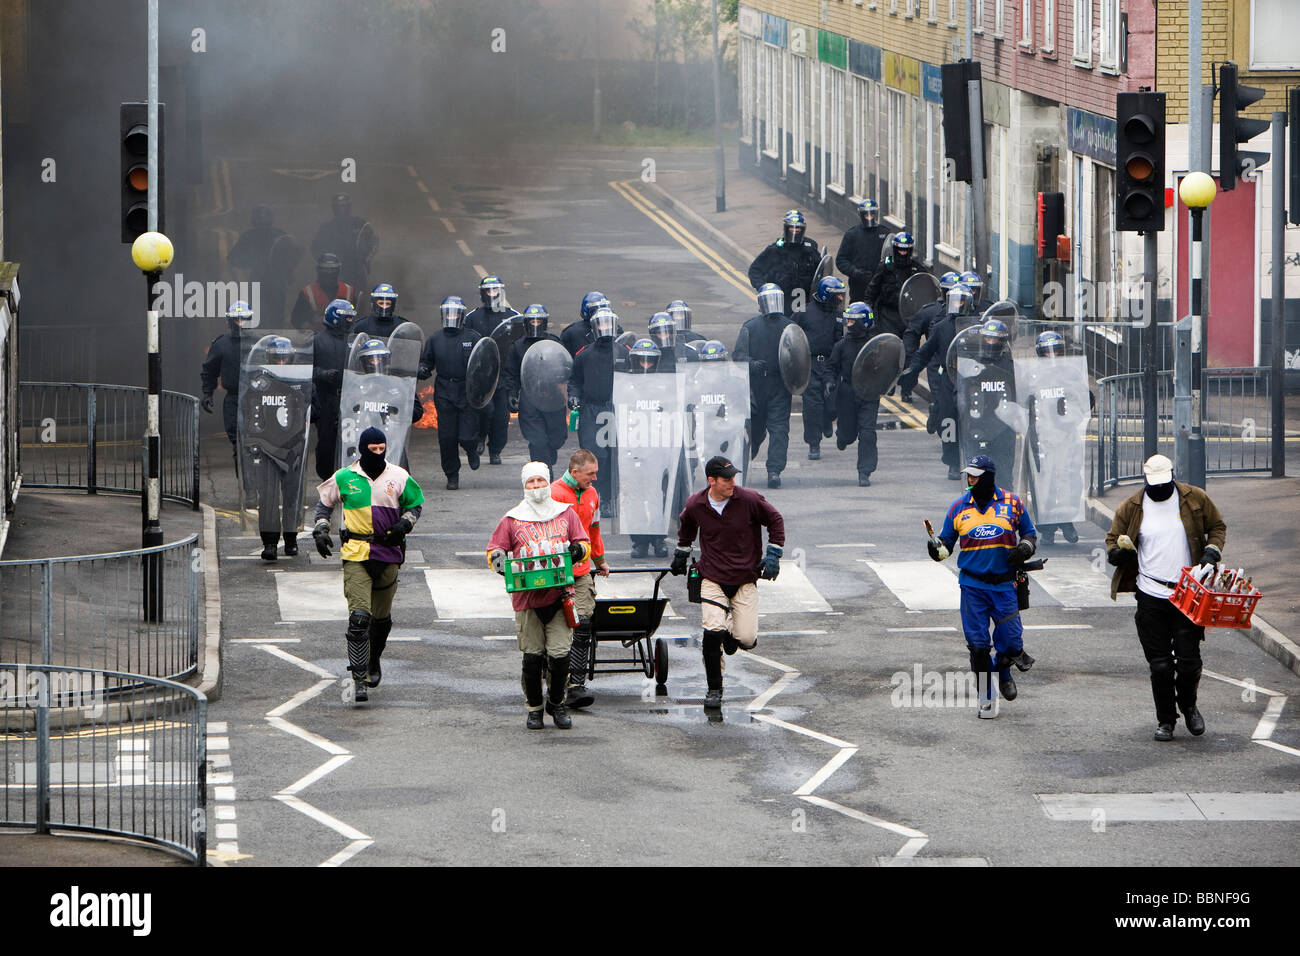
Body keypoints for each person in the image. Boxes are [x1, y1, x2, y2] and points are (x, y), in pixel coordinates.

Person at [1106, 454, 1227, 742]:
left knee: (1188, 661)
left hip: (1187, 592)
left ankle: (1188, 705)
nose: (1159, 489)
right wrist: (1117, 554)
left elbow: (1218, 528)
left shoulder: (1195, 498)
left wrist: (1213, 550)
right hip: (1150, 594)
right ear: (1145, 479)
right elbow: (1113, 540)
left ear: (1173, 476)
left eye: (1164, 483)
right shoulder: (1132, 506)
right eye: (1153, 484)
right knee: (1160, 665)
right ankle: (1166, 720)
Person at [312, 426, 425, 705]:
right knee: (360, 618)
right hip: (356, 553)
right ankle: (359, 677)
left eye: (381, 448)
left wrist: (404, 524)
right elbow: (324, 504)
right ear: (362, 450)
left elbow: (415, 505)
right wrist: (321, 529)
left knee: (381, 620)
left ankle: (374, 659)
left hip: (388, 553)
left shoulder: (399, 476)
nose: (377, 453)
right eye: (372, 449)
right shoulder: (344, 476)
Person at [670, 456, 786, 709]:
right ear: (711, 481)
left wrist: (774, 553)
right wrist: (681, 552)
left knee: (746, 639)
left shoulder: (749, 500)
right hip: (712, 577)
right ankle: (714, 689)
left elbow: (775, 520)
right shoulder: (696, 504)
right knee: (711, 633)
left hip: (744, 578)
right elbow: (687, 525)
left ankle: (732, 635)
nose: (733, 482)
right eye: (727, 479)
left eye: (734, 477)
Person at [929, 455, 1038, 719]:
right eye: (968, 476)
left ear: (988, 477)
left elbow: (1030, 534)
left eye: (975, 476)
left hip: (1004, 586)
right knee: (978, 647)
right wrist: (936, 550)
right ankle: (986, 697)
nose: (970, 480)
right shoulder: (958, 508)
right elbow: (946, 545)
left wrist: (1024, 547)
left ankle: (1003, 669)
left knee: (1012, 643)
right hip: (972, 587)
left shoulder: (1012, 503)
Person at [487, 462, 592, 730]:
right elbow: (494, 548)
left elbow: (583, 542)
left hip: (559, 597)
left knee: (559, 656)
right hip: (527, 600)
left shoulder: (565, 514)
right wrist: (498, 561)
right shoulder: (512, 518)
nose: (536, 487)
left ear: (548, 483)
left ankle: (556, 703)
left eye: (540, 481)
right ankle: (534, 708)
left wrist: (579, 551)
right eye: (531, 482)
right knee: (532, 658)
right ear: (524, 486)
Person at [241, 335, 311, 559]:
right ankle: (270, 544)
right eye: (276, 359)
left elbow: (314, 407)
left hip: (294, 447)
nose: (280, 364)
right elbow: (247, 409)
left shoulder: (302, 381)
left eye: (284, 359)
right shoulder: (259, 380)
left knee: (293, 496)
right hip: (268, 446)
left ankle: (291, 540)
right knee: (268, 498)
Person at [550, 449, 610, 710]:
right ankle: (555, 680)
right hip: (555, 571)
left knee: (582, 623)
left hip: (582, 571)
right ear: (575, 472)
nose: (595, 479)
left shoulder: (592, 495)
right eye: (590, 474)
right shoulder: (553, 494)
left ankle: (576, 685)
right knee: (557, 626)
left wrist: (600, 560)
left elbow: (594, 531)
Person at [898, 282, 976, 479]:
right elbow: (925, 352)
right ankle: (952, 462)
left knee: (974, 421)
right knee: (949, 420)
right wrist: (913, 370)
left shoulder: (976, 327)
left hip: (973, 380)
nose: (958, 306)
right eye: (955, 302)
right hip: (949, 378)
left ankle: (975, 458)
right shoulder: (941, 327)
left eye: (962, 302)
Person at [417, 296, 483, 490]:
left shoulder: (472, 337)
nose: (451, 316)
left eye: (455, 313)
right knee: (447, 437)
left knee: (467, 436)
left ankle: (472, 450)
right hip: (445, 390)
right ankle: (452, 475)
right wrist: (422, 369)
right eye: (448, 313)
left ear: (461, 316)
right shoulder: (435, 339)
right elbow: (426, 362)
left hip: (467, 391)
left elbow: (484, 363)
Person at [734, 283, 794, 488]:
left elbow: (799, 356)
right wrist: (752, 365)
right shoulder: (749, 327)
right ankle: (747, 458)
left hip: (779, 385)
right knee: (755, 430)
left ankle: (774, 471)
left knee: (779, 430)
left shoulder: (790, 327)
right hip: (755, 387)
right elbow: (738, 356)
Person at [503, 304, 569, 475]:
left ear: (544, 322)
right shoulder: (516, 346)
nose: (535, 324)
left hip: (553, 397)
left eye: (538, 320)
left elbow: (566, 367)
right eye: (531, 320)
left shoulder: (554, 342)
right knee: (537, 441)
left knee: (556, 438)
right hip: (530, 398)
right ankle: (545, 479)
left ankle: (549, 453)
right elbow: (511, 374)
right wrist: (511, 394)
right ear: (525, 323)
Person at [201, 300, 257, 493]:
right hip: (234, 400)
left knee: (259, 445)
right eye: (237, 319)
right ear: (230, 321)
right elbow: (209, 370)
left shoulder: (259, 343)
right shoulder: (222, 344)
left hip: (257, 399)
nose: (240, 323)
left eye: (244, 319)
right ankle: (248, 489)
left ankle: (262, 486)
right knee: (239, 446)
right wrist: (208, 393)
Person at [568, 307, 619, 510]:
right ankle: (594, 495)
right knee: (595, 456)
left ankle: (609, 498)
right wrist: (573, 396)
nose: (605, 328)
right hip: (591, 411)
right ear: (595, 327)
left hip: (615, 410)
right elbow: (575, 380)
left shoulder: (623, 352)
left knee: (614, 455)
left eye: (609, 324)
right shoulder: (584, 355)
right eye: (602, 324)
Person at [828, 302, 881, 486]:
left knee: (867, 433)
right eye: (847, 321)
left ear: (863, 323)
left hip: (869, 392)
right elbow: (831, 368)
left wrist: (887, 383)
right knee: (849, 434)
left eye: (852, 321)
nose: (848, 324)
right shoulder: (841, 345)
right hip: (847, 393)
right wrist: (829, 382)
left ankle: (864, 471)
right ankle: (842, 436)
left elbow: (885, 368)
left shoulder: (876, 346)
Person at [466, 275, 517, 464]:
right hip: (480, 376)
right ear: (482, 293)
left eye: (495, 290)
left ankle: (495, 450)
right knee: (484, 411)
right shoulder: (472, 318)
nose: (491, 294)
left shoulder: (513, 316)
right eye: (488, 291)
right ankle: (480, 437)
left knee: (501, 418)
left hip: (503, 375)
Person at [228, 204, 299, 326]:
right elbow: (293, 255)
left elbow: (233, 258)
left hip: (266, 281)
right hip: (270, 281)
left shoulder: (249, 236)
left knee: (264, 317)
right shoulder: (279, 234)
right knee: (273, 316)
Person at [797, 276, 844, 460]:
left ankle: (827, 421)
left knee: (832, 404)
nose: (840, 299)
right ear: (826, 295)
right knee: (812, 406)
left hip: (831, 364)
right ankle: (813, 443)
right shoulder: (804, 313)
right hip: (810, 363)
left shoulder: (840, 315)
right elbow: (791, 335)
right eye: (837, 296)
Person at [312, 299, 357, 481]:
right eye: (346, 318)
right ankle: (327, 479)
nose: (350, 321)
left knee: (350, 440)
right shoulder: (317, 341)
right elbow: (306, 367)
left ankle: (351, 480)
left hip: (350, 398)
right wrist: (322, 374)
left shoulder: (354, 341)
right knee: (326, 443)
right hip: (326, 398)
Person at [747, 210, 821, 316]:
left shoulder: (810, 249)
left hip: (805, 302)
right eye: (791, 228)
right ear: (786, 229)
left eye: (798, 228)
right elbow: (754, 271)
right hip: (780, 303)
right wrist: (764, 289)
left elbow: (821, 273)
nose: (795, 231)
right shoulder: (775, 250)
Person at [864, 232, 928, 339]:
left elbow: (926, 292)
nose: (902, 253)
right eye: (900, 250)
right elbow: (872, 289)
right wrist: (868, 309)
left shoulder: (916, 269)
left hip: (908, 317)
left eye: (905, 251)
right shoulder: (886, 265)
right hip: (887, 316)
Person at [310, 192, 377, 292]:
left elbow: (373, 242)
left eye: (345, 206)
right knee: (336, 302)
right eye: (339, 207)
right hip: (335, 273)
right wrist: (326, 266)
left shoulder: (360, 224)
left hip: (356, 272)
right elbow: (315, 248)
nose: (342, 209)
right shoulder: (326, 228)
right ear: (334, 208)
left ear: (349, 207)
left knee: (358, 302)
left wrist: (366, 259)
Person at [835, 199, 888, 303]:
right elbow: (841, 260)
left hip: (881, 285)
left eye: (872, 215)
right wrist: (855, 272)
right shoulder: (852, 235)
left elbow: (890, 256)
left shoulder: (885, 233)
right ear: (861, 215)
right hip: (858, 286)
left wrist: (885, 271)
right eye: (866, 215)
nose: (869, 218)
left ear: (875, 215)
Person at [291, 253, 357, 332]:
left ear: (338, 271)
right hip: (316, 339)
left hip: (342, 337)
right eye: (325, 269)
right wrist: (307, 329)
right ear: (319, 270)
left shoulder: (348, 291)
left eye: (333, 269)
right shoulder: (308, 293)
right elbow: (296, 319)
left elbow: (356, 318)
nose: (329, 273)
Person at [561, 291, 610, 358]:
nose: (600, 314)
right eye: (595, 311)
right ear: (587, 312)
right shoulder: (572, 333)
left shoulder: (615, 328)